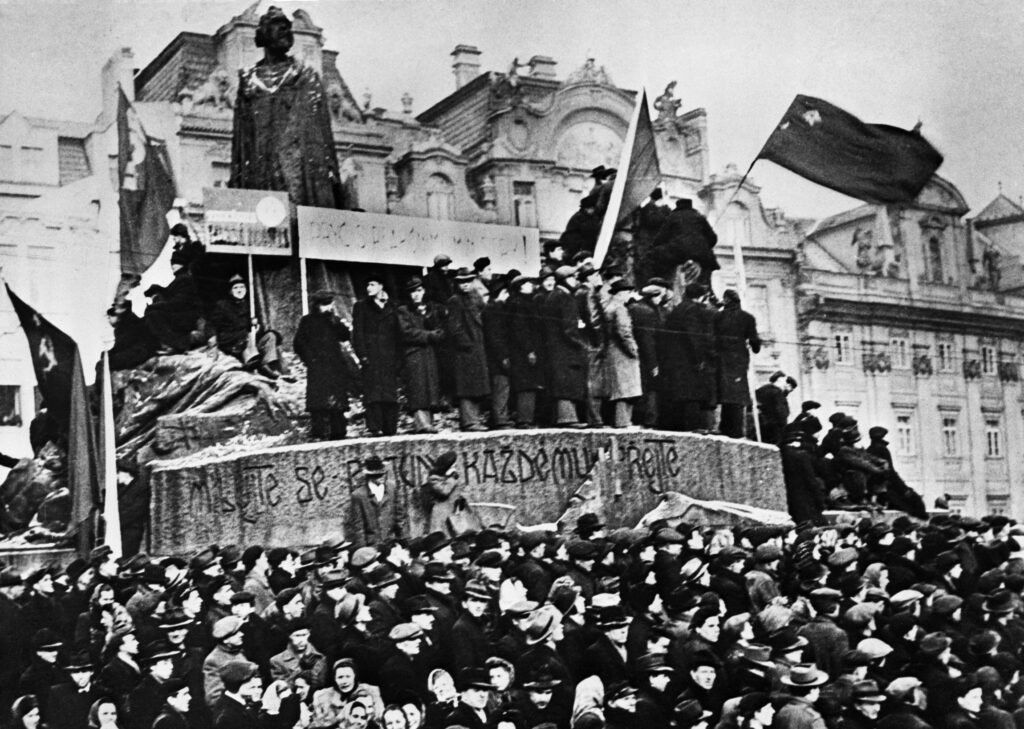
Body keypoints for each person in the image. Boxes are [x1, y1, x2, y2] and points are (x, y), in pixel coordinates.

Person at [230, 6, 345, 209]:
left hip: (300, 176)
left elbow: (322, 137)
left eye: (287, 27)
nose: (285, 30)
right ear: (263, 34)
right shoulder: (248, 81)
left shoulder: (305, 76)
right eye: (277, 26)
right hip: (260, 173)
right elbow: (241, 142)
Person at [293, 291, 352, 441]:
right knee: (318, 402)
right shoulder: (307, 321)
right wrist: (310, 360)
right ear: (317, 305)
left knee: (337, 402)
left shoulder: (333, 320)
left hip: (335, 366)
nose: (328, 307)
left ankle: (339, 433)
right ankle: (319, 433)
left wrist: (338, 324)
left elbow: (345, 336)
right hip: (318, 367)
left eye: (330, 304)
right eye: (324, 304)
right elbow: (299, 343)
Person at [658, 283, 717, 432]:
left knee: (680, 395)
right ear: (701, 296)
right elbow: (694, 336)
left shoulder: (678, 309)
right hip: (688, 361)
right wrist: (698, 359)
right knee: (692, 395)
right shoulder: (693, 310)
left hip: (674, 360)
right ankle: (694, 427)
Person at [210, 274, 288, 379]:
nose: (239, 290)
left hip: (249, 340)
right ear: (230, 291)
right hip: (231, 340)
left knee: (270, 336)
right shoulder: (222, 305)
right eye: (236, 288)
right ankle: (252, 363)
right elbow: (212, 324)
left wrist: (256, 325)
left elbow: (254, 328)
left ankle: (268, 366)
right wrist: (212, 339)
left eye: (242, 287)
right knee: (246, 336)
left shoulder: (248, 305)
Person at [352, 275, 402, 437]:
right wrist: (362, 355)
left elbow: (398, 333)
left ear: (381, 286)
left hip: (389, 356)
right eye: (367, 284)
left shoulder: (392, 306)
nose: (369, 288)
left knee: (389, 393)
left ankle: (390, 427)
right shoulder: (361, 306)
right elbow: (357, 333)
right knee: (373, 394)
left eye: (372, 284)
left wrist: (398, 358)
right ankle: (375, 427)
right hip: (371, 356)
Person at [396, 278, 445, 434]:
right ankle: (421, 423)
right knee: (418, 388)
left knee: (430, 388)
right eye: (412, 292)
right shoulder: (403, 311)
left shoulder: (430, 309)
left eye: (419, 291)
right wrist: (429, 335)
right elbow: (406, 332)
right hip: (414, 354)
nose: (416, 295)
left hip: (429, 354)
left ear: (423, 291)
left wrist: (436, 331)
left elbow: (440, 328)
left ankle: (428, 421)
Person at [444, 268, 491, 432]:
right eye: (462, 282)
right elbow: (454, 327)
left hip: (477, 348)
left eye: (468, 281)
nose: (465, 285)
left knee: (476, 386)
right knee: (467, 387)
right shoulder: (455, 301)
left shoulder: (475, 298)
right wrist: (467, 344)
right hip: (465, 351)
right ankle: (469, 421)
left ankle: (474, 420)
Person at [543, 266, 589, 427]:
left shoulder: (552, 296)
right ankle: (568, 418)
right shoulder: (566, 298)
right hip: (566, 349)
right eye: (573, 277)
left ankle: (563, 417)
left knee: (561, 382)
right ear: (565, 279)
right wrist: (582, 345)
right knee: (567, 383)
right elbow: (569, 328)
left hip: (554, 347)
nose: (576, 280)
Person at [714, 289, 761, 438]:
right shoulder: (747, 318)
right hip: (739, 359)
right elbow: (755, 343)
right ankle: (736, 430)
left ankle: (724, 426)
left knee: (725, 393)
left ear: (726, 301)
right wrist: (755, 346)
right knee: (737, 394)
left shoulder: (718, 317)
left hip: (721, 358)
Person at [143, 249, 205, 354]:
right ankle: (172, 344)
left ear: (182, 264)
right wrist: (157, 290)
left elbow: (178, 302)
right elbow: (170, 295)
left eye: (176, 262)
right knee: (153, 314)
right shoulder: (180, 278)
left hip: (186, 316)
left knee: (153, 316)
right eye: (172, 262)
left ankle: (180, 344)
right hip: (181, 314)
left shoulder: (185, 279)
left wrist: (154, 306)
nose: (173, 265)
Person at [649, 198, 719, 286]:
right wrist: (702, 246)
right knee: (705, 278)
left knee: (655, 257)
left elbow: (659, 239)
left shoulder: (672, 217)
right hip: (701, 257)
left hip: (678, 253)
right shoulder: (699, 217)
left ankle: (661, 284)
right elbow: (713, 238)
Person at [601, 280, 642, 428]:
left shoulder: (608, 308)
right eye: (628, 292)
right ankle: (623, 422)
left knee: (618, 388)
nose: (629, 295)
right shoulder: (620, 309)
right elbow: (624, 332)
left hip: (612, 351)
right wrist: (634, 350)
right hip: (622, 354)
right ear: (621, 293)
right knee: (626, 390)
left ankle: (619, 421)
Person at [504, 276, 544, 428]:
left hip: (523, 351)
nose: (531, 285)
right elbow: (520, 329)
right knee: (526, 385)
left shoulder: (521, 302)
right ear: (520, 287)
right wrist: (529, 350)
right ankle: (524, 419)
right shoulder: (520, 303)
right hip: (523, 352)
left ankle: (526, 418)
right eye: (528, 283)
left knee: (527, 385)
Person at [346, 457, 408, 549]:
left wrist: (404, 540)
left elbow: (400, 516)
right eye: (378, 475)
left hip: (391, 543)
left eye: (383, 474)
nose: (383, 477)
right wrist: (364, 550)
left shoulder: (391, 488)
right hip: (372, 546)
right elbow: (359, 527)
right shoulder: (359, 495)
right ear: (370, 477)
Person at [482, 278, 514, 429]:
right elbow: (495, 336)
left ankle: (499, 417)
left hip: (497, 356)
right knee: (500, 386)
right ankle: (500, 419)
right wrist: (503, 357)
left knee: (501, 386)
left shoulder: (492, 308)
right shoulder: (494, 309)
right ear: (502, 293)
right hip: (497, 357)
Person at [104, 301, 157, 372]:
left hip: (142, 349)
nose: (108, 320)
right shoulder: (129, 319)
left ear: (117, 316)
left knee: (107, 362)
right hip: (143, 347)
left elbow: (123, 343)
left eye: (109, 317)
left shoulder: (122, 325)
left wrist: (109, 353)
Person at [756, 371, 796, 446]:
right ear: (779, 380)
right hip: (774, 429)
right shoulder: (777, 393)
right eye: (784, 381)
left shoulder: (761, 390)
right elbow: (781, 413)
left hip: (763, 427)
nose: (785, 384)